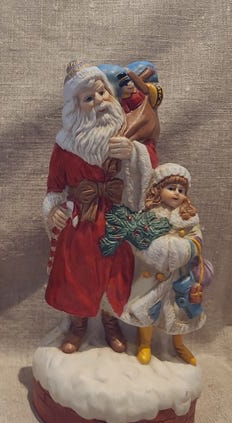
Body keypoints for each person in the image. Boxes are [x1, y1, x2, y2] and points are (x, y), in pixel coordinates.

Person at [43, 60, 158, 355]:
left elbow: (153, 169)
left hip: (115, 218)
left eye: (102, 93)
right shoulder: (65, 144)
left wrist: (134, 153)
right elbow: (54, 186)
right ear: (76, 107)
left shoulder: (127, 131)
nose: (99, 101)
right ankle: (78, 325)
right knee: (77, 273)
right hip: (82, 219)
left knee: (116, 273)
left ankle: (110, 322)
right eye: (88, 98)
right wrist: (54, 210)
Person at [120, 163, 209, 365]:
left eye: (181, 190)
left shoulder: (189, 216)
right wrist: (156, 249)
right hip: (152, 273)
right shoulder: (149, 214)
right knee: (146, 308)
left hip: (180, 273)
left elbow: (197, 239)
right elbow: (138, 240)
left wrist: (183, 248)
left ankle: (179, 344)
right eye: (171, 188)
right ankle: (145, 343)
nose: (176, 193)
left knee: (180, 310)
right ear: (158, 189)